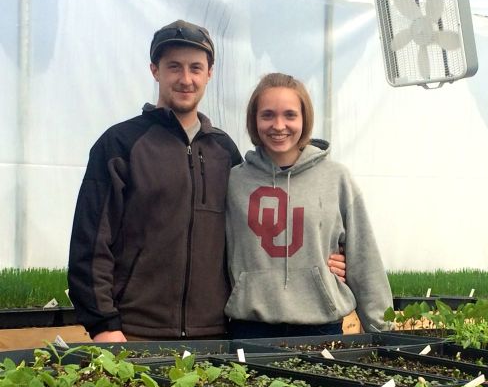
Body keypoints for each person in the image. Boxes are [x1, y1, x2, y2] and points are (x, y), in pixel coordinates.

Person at [68, 20, 345, 343]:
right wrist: (104, 325)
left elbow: (263, 229)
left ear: (209, 74)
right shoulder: (120, 145)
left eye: (196, 68)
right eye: (174, 67)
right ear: (155, 70)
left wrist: (328, 258)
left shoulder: (224, 152)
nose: (186, 79)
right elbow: (90, 242)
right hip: (135, 332)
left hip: (214, 333)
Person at [225, 72, 392, 338]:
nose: (279, 125)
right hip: (250, 329)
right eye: (267, 115)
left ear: (305, 119)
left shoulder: (336, 178)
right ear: (253, 120)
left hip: (321, 327)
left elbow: (363, 255)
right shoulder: (233, 181)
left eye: (290, 115)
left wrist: (383, 333)